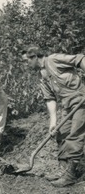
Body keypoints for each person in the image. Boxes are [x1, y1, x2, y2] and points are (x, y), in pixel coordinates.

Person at [23, 46, 85, 187]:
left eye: (28, 60)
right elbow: (50, 98)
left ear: (35, 57)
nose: (27, 64)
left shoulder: (53, 59)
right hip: (67, 105)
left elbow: (80, 58)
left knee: (75, 136)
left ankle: (70, 175)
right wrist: (53, 122)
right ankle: (62, 170)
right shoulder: (41, 76)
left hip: (81, 100)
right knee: (61, 134)